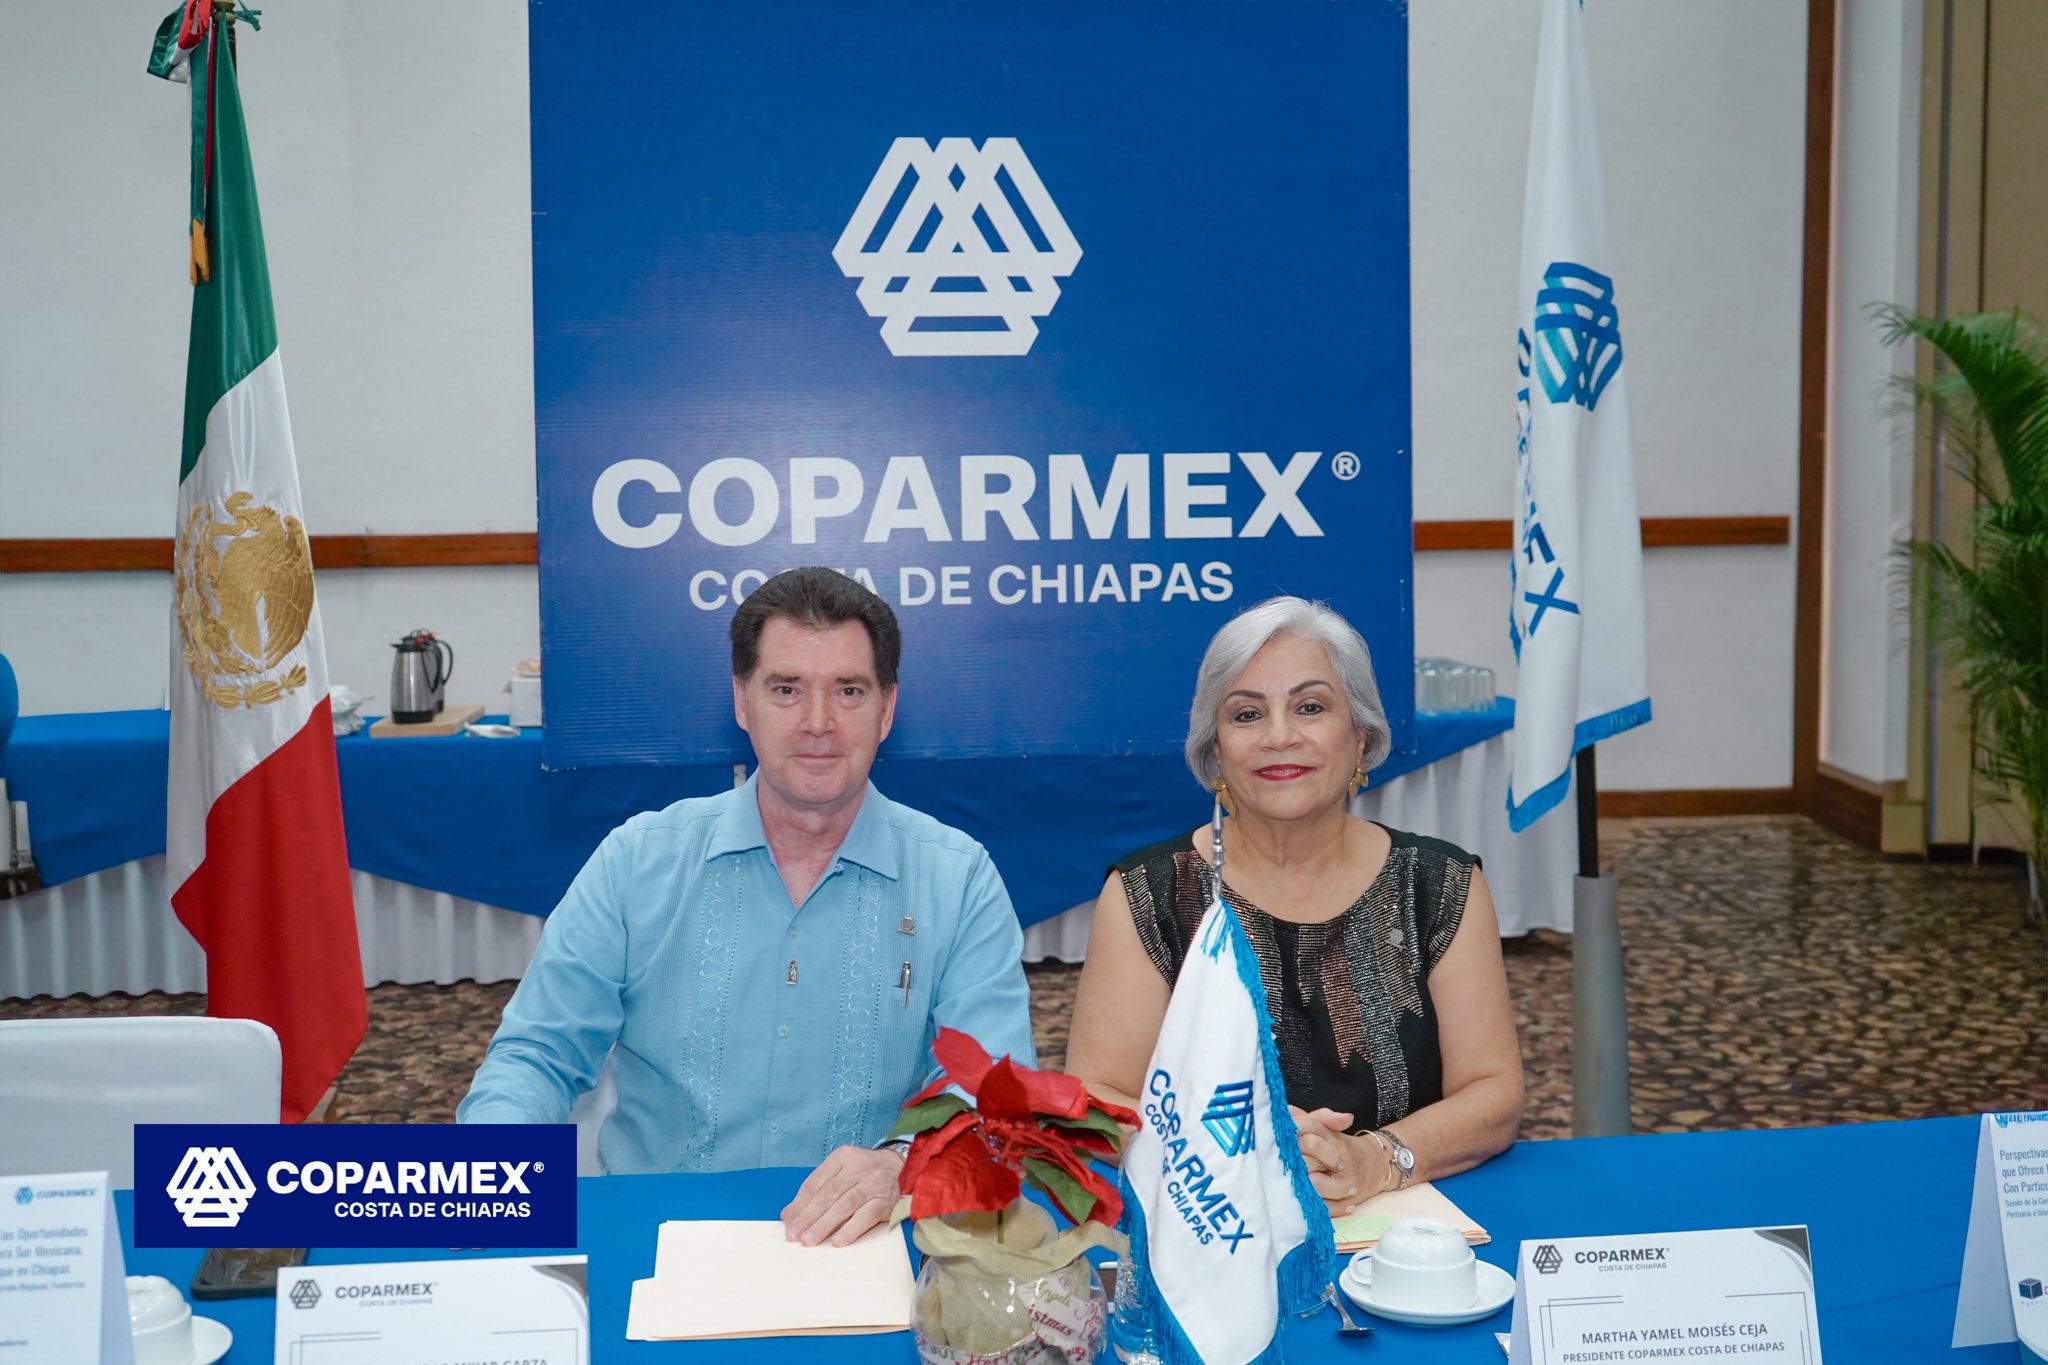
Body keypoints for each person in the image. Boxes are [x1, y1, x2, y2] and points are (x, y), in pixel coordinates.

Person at [459, 567, 1036, 1246]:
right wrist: (484, 1192)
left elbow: (994, 1093)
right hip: (656, 1239)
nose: (818, 722)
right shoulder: (638, 860)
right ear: (741, 702)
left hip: (867, 1240)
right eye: (786, 689)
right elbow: (536, 1055)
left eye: (848, 691)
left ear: (887, 709)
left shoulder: (957, 879)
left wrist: (902, 1163)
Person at [1066, 596, 1522, 1214]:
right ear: (1215, 751)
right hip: (1211, 1218)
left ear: (1360, 737)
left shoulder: (1437, 884)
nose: (1279, 737)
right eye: (1247, 714)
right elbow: (1096, 1097)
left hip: (1411, 1224)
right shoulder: (1149, 893)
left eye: (1310, 707)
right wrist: (1241, 1154)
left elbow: (1492, 1093)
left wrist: (1374, 1159)